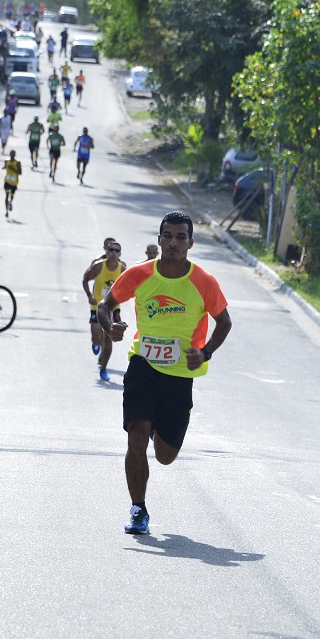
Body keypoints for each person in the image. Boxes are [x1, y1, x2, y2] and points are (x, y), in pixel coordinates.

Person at [98, 211, 232, 535]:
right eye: (167, 236)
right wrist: (110, 327)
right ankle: (138, 509)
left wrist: (205, 352)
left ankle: (160, 428)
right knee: (136, 437)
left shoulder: (204, 282)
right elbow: (105, 305)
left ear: (190, 243)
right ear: (159, 240)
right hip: (142, 365)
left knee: (165, 456)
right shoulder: (140, 275)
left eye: (180, 237)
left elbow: (224, 322)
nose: (173, 243)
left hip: (179, 376)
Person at [83, 241, 126, 382]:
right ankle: (96, 342)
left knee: (109, 337)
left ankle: (103, 369)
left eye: (116, 250)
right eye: (111, 250)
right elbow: (85, 279)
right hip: (97, 306)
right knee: (97, 338)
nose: (113, 252)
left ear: (120, 254)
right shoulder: (98, 266)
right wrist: (89, 295)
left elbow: (129, 287)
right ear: (106, 252)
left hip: (114, 308)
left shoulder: (122, 268)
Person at [3, 150, 22, 217]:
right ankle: (6, 211)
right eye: (11, 154)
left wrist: (13, 169)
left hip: (14, 182)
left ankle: (10, 202)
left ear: (15, 155)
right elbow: (5, 167)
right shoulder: (6, 161)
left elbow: (20, 173)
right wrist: (4, 167)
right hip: (7, 181)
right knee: (6, 195)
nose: (11, 156)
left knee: (11, 195)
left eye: (13, 154)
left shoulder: (17, 163)